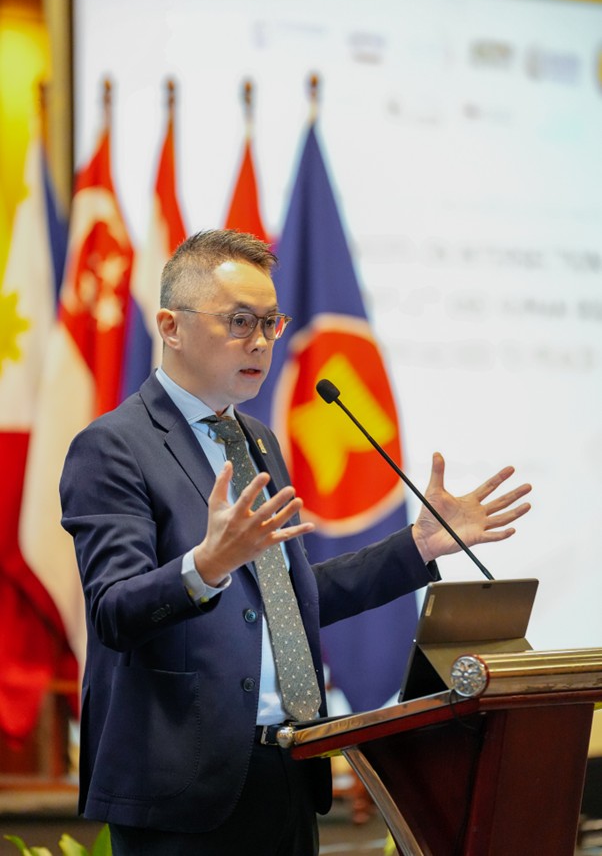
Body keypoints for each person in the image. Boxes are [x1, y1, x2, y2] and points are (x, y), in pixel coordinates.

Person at [60, 229, 531, 856]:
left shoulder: (256, 440)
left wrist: (417, 546)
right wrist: (204, 567)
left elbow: (290, 600)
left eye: (270, 323)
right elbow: (113, 611)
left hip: (288, 765)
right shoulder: (113, 446)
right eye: (239, 321)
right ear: (171, 327)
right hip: (180, 785)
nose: (260, 341)